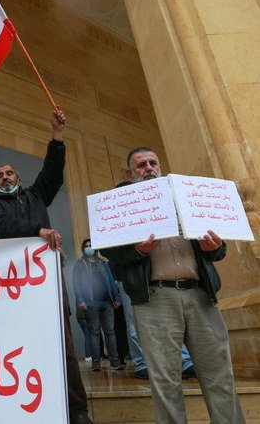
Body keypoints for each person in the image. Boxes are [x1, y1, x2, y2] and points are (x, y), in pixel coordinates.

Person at [100, 147, 245, 424]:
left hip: (200, 296)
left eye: (153, 163)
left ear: (161, 167)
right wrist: (138, 250)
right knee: (166, 380)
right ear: (131, 174)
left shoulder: (187, 199)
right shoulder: (124, 206)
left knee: (220, 375)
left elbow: (219, 250)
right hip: (155, 299)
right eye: (141, 165)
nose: (149, 168)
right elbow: (113, 255)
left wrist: (214, 247)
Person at [0, 109, 94, 424]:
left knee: (64, 343)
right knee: (20, 343)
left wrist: (57, 138)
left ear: (18, 178)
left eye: (9, 174)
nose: (4, 177)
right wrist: (37, 232)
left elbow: (53, 173)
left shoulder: (35, 196)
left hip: (47, 281)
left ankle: (78, 410)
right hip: (12, 285)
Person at [112, 181, 196, 380]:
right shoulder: (116, 220)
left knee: (171, 324)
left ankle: (184, 361)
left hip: (151, 278)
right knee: (134, 325)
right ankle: (141, 362)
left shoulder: (150, 214)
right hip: (128, 278)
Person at [73, 239, 123, 371]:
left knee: (110, 332)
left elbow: (110, 281)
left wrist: (116, 297)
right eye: (86, 247)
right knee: (94, 333)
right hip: (90, 304)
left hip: (106, 302)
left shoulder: (102, 263)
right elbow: (76, 284)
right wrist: (80, 300)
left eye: (91, 246)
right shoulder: (79, 264)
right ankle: (96, 362)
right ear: (83, 249)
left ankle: (114, 361)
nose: (89, 248)